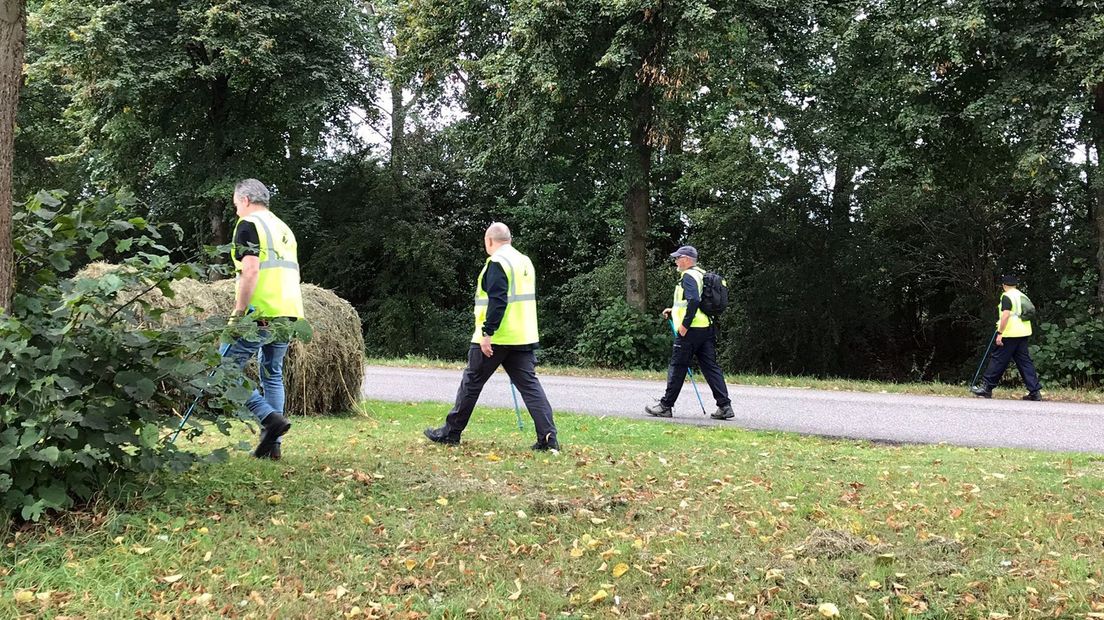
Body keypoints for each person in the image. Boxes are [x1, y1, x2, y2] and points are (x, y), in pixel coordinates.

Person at [424, 223, 560, 450]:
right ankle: (548, 439)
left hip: (496, 337)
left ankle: (451, 432)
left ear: (489, 241)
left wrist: (487, 332)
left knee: (471, 383)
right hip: (522, 336)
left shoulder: (497, 263)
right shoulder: (524, 262)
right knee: (530, 387)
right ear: (509, 239)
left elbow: (498, 301)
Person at [225, 179, 305, 459]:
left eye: (236, 205)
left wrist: (238, 311)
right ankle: (272, 448)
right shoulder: (283, 228)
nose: (236, 212)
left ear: (245, 200)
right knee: (272, 374)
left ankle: (269, 419)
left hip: (260, 311)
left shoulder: (248, 225)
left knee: (224, 370)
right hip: (289, 310)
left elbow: (251, 271)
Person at [646, 245, 735, 420]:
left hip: (691, 330)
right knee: (710, 367)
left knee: (678, 366)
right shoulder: (700, 274)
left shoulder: (688, 276)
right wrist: (674, 310)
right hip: (706, 328)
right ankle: (725, 406)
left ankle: (665, 406)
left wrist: (685, 325)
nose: (676, 261)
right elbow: (694, 302)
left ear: (686, 259)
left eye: (678, 258)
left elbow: (693, 299)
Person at [971, 275, 1043, 401]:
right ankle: (1035, 391)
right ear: (1015, 285)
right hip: (1023, 332)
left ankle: (986, 388)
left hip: (1010, 333)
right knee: (1024, 362)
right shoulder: (1022, 295)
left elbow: (1005, 316)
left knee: (998, 359)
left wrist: (1000, 333)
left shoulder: (1007, 296)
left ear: (1004, 285)